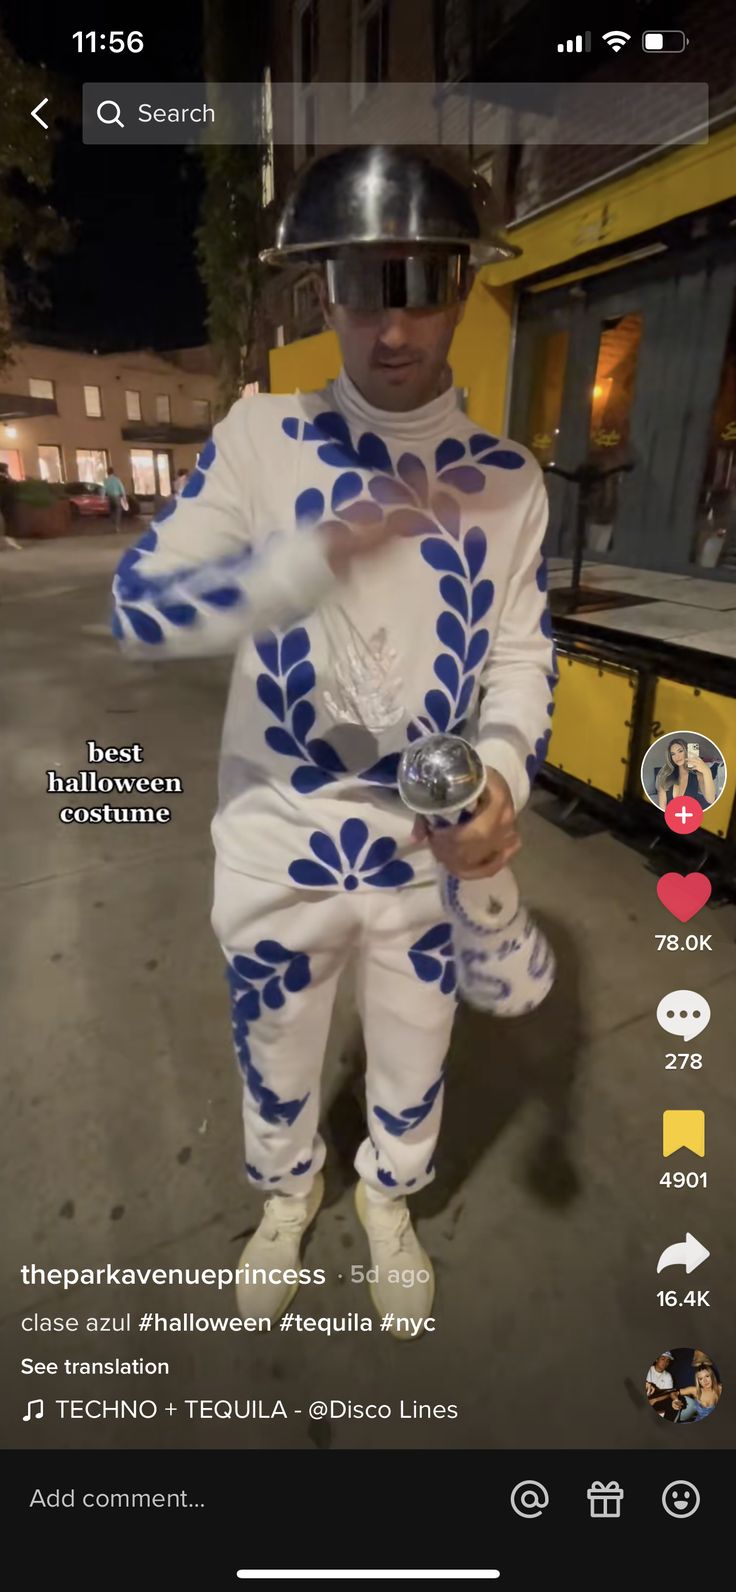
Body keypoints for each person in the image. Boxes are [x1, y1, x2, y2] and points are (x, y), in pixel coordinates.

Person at [110, 145, 556, 1338]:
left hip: (426, 844)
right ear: (321, 294)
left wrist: (503, 778)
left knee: (416, 1041)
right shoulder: (262, 439)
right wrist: (305, 558)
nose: (393, 323)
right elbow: (141, 608)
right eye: (363, 285)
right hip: (278, 831)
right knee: (276, 1033)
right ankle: (287, 1188)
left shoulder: (509, 479)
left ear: (463, 285)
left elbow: (518, 649)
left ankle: (389, 1199)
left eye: (420, 282)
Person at [656, 737, 715, 809]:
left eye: (680, 751)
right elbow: (662, 807)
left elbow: (711, 799)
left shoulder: (697, 775)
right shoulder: (666, 775)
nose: (677, 756)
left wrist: (706, 771)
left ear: (687, 751)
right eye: (673, 754)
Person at [645, 1351, 676, 1417]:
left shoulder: (668, 1376)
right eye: (663, 1359)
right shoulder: (648, 1370)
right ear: (656, 1359)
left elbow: (668, 1393)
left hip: (657, 1401)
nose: (665, 1362)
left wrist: (655, 1400)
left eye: (668, 1361)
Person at [103, 465, 128, 531]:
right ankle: (117, 526)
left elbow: (104, 489)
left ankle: (113, 521)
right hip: (116, 497)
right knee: (118, 510)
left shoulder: (105, 480)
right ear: (113, 472)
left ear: (107, 472)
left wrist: (102, 497)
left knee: (111, 511)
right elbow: (121, 488)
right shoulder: (117, 479)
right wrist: (124, 497)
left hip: (109, 497)